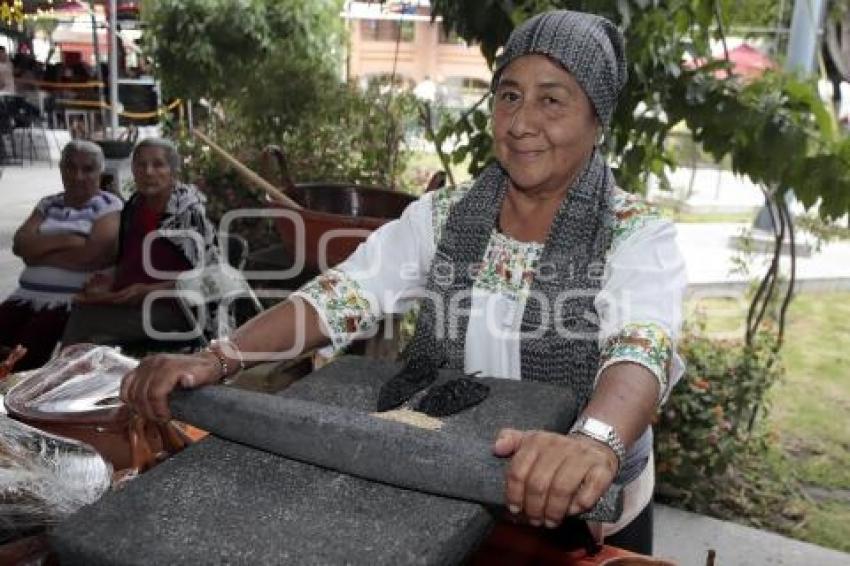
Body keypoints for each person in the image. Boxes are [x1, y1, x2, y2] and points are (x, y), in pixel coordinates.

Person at [120, 10, 686, 555]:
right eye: (509, 95)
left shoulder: (634, 234)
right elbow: (340, 297)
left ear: (597, 119)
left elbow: (641, 347)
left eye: (551, 99)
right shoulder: (444, 218)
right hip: (458, 491)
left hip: (582, 519)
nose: (520, 124)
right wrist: (221, 359)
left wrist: (592, 443)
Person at [61, 137, 219, 347]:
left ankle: (63, 378)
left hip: (181, 312)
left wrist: (148, 291)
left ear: (173, 171)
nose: (148, 172)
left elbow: (210, 280)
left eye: (158, 164)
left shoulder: (188, 214)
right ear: (133, 170)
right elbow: (130, 262)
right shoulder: (135, 206)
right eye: (141, 165)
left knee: (85, 322)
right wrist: (110, 283)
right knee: (75, 307)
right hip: (136, 303)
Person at [0, 141, 122, 370]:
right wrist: (68, 240)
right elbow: (20, 244)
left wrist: (37, 255)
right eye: (70, 167)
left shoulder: (108, 205)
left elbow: (91, 255)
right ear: (61, 169)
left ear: (100, 172)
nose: (77, 176)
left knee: (23, 359)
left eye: (87, 169)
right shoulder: (49, 203)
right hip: (24, 295)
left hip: (68, 302)